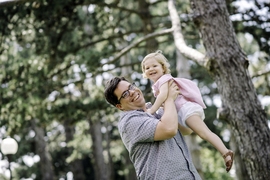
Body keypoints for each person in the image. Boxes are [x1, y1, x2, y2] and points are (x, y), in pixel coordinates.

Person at [141, 50, 234, 172]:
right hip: (181, 113)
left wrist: (152, 109)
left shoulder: (164, 79)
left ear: (163, 68)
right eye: (147, 68)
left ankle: (225, 152)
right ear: (145, 73)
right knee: (193, 132)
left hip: (185, 108)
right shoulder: (157, 85)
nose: (151, 69)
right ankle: (225, 152)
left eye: (154, 66)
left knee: (204, 133)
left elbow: (163, 95)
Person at [104, 76, 202, 180]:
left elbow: (187, 130)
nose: (132, 92)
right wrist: (169, 98)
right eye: (125, 94)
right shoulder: (129, 122)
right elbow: (169, 129)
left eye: (131, 87)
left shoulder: (155, 109)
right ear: (120, 106)